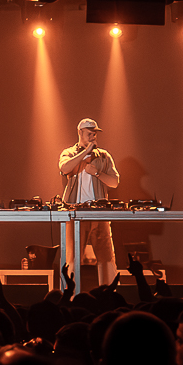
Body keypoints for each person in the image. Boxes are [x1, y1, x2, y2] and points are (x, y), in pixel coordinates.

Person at [58, 117, 120, 288]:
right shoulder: (69, 153)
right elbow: (64, 168)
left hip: (98, 213)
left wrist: (97, 173)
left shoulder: (104, 156)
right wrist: (84, 153)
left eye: (95, 134)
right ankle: (69, 295)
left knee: (106, 258)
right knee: (71, 258)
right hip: (74, 213)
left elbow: (114, 182)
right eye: (90, 134)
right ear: (80, 133)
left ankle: (109, 294)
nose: (93, 137)